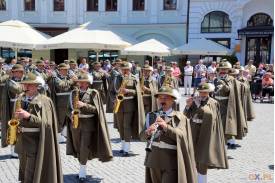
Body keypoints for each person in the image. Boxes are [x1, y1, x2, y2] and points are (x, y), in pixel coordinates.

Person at [140, 86, 197, 183]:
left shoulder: (179, 117)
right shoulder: (151, 115)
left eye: (165, 97)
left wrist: (166, 127)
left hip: (170, 161)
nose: (162, 100)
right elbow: (141, 137)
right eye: (160, 98)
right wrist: (147, 132)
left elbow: (181, 136)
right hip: (153, 160)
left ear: (172, 100)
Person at [14, 72, 63, 183]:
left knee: (30, 176)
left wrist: (28, 116)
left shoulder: (45, 100)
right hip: (21, 143)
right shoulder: (20, 99)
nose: (26, 87)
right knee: (23, 173)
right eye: (24, 84)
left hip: (35, 143)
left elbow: (48, 123)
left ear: (37, 86)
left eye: (29, 84)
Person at [65, 73, 113, 182]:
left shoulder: (93, 93)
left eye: (83, 82)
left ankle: (82, 172)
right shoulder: (73, 93)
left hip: (88, 124)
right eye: (79, 82)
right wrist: (70, 113)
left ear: (88, 83)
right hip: (75, 124)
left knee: (84, 147)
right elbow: (67, 109)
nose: (81, 84)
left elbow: (97, 109)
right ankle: (82, 166)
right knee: (77, 147)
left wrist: (84, 105)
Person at [184, 83, 228, 183]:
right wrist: (187, 106)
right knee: (192, 155)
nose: (202, 94)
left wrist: (199, 106)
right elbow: (185, 115)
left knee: (203, 158)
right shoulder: (194, 101)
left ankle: (202, 181)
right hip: (193, 130)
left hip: (206, 133)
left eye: (205, 92)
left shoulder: (213, 102)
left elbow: (211, 117)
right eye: (201, 92)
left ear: (209, 93)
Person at [213, 60, 246, 149]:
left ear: (228, 70)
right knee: (217, 123)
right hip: (216, 103)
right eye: (221, 69)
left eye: (225, 69)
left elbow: (229, 90)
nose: (223, 71)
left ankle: (230, 142)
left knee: (228, 123)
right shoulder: (216, 79)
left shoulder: (230, 79)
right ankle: (218, 141)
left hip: (227, 104)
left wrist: (223, 85)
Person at [114, 61, 145, 156]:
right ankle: (123, 146)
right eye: (123, 70)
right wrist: (114, 98)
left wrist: (128, 90)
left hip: (129, 105)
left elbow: (138, 91)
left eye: (126, 69)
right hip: (119, 105)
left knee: (126, 126)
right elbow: (112, 90)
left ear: (130, 69)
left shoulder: (134, 78)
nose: (125, 71)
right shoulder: (117, 78)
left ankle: (127, 148)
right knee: (120, 126)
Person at [1, 64, 25, 158]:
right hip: (13, 108)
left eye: (21, 71)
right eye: (18, 72)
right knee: (13, 128)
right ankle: (13, 149)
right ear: (13, 72)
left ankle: (21, 148)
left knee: (22, 128)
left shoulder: (23, 80)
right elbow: (18, 89)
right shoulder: (10, 82)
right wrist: (27, 86)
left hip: (22, 106)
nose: (20, 73)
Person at [52, 63, 77, 143]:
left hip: (70, 101)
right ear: (60, 70)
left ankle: (66, 134)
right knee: (60, 119)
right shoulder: (56, 78)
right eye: (65, 70)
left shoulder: (68, 77)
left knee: (70, 118)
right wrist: (72, 80)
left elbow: (74, 87)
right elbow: (61, 85)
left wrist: (76, 83)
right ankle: (58, 136)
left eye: (67, 70)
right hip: (61, 102)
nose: (66, 71)